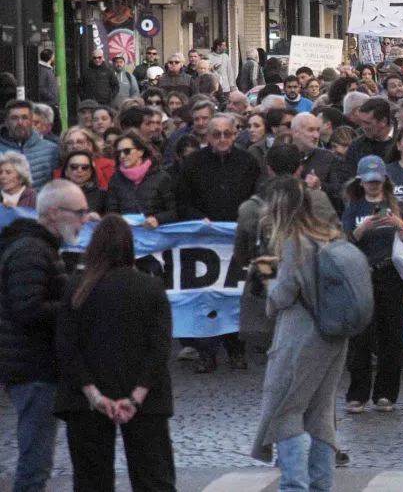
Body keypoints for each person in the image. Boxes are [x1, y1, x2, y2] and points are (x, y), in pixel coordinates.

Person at [55, 215, 176, 491]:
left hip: (86, 400)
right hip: (144, 399)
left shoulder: (77, 288)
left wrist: (93, 394)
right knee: (154, 479)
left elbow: (67, 347)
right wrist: (136, 397)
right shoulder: (150, 288)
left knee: (91, 481)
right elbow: (159, 349)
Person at [250, 177, 349, 491]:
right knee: (321, 413)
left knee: (286, 410)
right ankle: (321, 485)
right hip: (334, 335)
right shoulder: (329, 234)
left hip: (301, 336)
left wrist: (269, 281)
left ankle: (295, 487)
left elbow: (283, 295)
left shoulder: (296, 239)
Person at [0, 179, 88, 491]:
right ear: (53, 212)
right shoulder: (31, 251)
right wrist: (72, 303)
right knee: (34, 464)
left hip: (34, 364)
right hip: (32, 367)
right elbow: (28, 309)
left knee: (37, 461)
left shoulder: (39, 247)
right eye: (78, 212)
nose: (83, 219)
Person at [175, 115, 260, 373]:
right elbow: (181, 201)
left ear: (234, 135)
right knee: (206, 297)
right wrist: (197, 219)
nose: (222, 139)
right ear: (207, 137)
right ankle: (206, 352)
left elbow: (258, 195)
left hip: (237, 242)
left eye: (227, 134)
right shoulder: (192, 164)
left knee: (236, 297)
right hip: (203, 243)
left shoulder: (248, 162)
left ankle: (236, 350)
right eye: (217, 134)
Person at [341, 156, 403, 414]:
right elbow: (345, 241)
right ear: (361, 181)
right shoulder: (353, 207)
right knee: (361, 336)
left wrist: (399, 225)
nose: (373, 186)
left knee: (392, 335)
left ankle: (386, 393)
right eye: (368, 182)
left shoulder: (398, 205)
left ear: (384, 180)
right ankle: (357, 393)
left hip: (392, 274)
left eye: (377, 181)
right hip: (362, 274)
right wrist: (362, 230)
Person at [106, 131, 176, 229]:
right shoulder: (115, 179)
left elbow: (174, 211)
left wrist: (157, 219)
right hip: (127, 234)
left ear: (140, 152)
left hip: (156, 234)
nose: (122, 156)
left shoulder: (161, 177)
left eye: (127, 151)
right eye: (118, 152)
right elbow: (111, 211)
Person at [0, 100, 60, 189]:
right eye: (14, 118)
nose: (20, 122)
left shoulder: (51, 150)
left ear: (32, 120)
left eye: (25, 117)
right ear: (6, 121)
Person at [61, 151, 107, 216]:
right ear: (66, 171)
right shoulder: (55, 195)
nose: (79, 170)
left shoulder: (103, 195)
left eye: (85, 167)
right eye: (74, 167)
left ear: (91, 171)